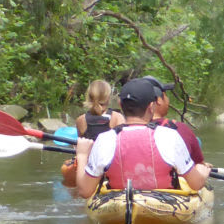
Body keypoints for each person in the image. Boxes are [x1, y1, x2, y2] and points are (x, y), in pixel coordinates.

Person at [77, 77, 210, 197]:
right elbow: (195, 184)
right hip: (164, 203)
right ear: (151, 106)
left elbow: (85, 191)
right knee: (199, 170)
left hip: (118, 201)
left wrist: (82, 155)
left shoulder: (104, 139)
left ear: (120, 104)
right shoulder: (170, 136)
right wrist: (203, 172)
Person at [145, 76, 205, 164]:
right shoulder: (179, 129)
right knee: (197, 141)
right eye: (165, 95)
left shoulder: (122, 131)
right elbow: (199, 163)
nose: (168, 100)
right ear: (159, 100)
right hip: (177, 175)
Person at [70, 79, 126, 168]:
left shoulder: (81, 120)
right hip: (111, 167)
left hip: (90, 168)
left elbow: (80, 146)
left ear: (89, 97)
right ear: (108, 98)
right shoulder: (117, 118)